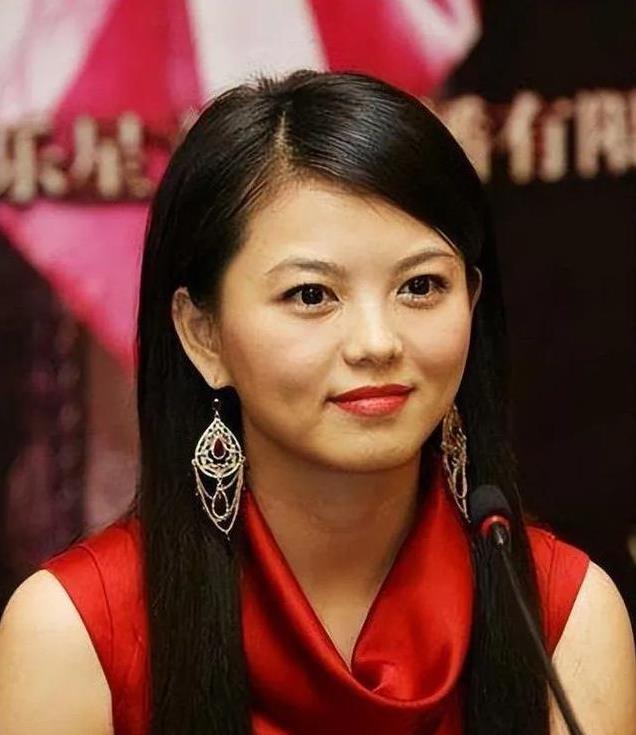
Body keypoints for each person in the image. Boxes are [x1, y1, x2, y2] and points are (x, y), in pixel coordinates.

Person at [0, 69, 634, 735]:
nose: (377, 342)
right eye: (311, 295)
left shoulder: (564, 616)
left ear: (472, 303)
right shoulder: (76, 634)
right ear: (202, 333)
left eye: (421, 286)